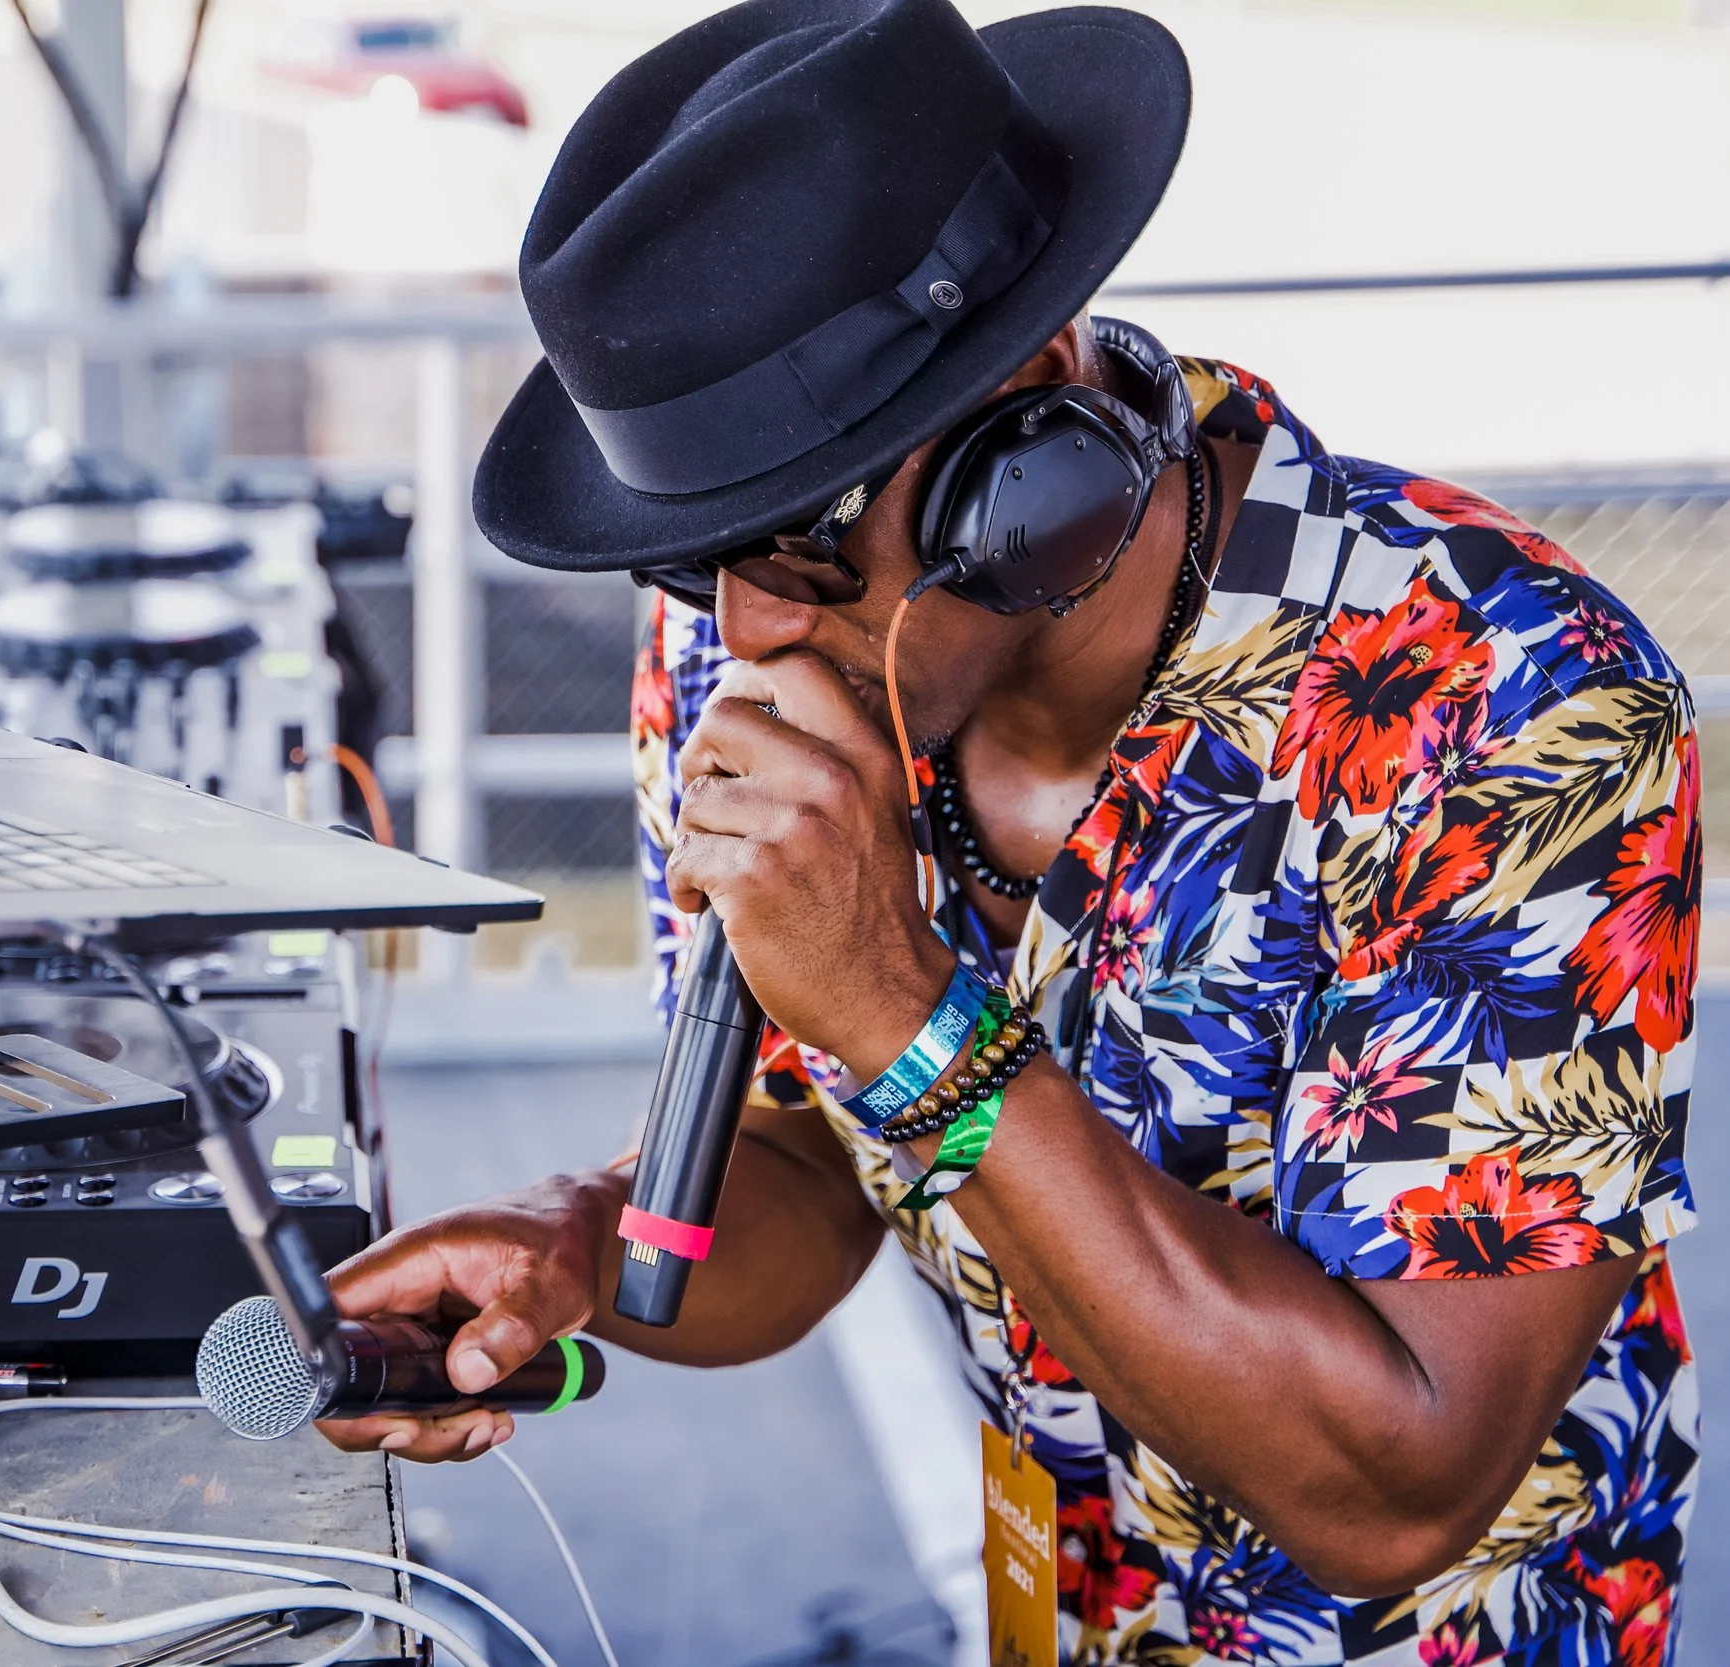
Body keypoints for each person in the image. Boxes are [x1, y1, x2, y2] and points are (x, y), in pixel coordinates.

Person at [316, 1, 1701, 1659]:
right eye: (690, 556)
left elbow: (1392, 1488)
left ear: (1030, 432)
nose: (742, 631)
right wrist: (583, 1242)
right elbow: (818, 1162)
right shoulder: (753, 644)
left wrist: (910, 1008)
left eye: (800, 538)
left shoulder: (1520, 706)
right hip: (1056, 1604)